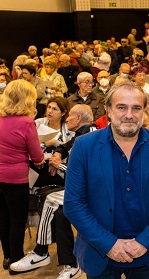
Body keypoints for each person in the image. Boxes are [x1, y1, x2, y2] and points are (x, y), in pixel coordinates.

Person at [63, 81, 149, 278]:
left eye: (136, 108)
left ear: (145, 111)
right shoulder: (84, 146)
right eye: (121, 107)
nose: (129, 115)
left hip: (145, 251)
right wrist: (109, 244)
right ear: (108, 110)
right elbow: (74, 204)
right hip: (99, 251)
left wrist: (144, 242)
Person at [9, 105, 95, 279]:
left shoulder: (90, 135)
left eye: (69, 115)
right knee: (60, 212)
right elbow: (64, 147)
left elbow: (86, 175)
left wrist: (60, 165)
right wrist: (57, 153)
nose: (67, 119)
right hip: (78, 188)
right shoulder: (81, 134)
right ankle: (71, 265)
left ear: (78, 118)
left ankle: (41, 252)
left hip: (91, 191)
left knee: (49, 198)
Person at [0, 80, 44, 272]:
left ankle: (7, 255)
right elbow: (37, 157)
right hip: (15, 178)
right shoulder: (26, 123)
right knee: (18, 219)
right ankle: (17, 259)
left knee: (2, 218)